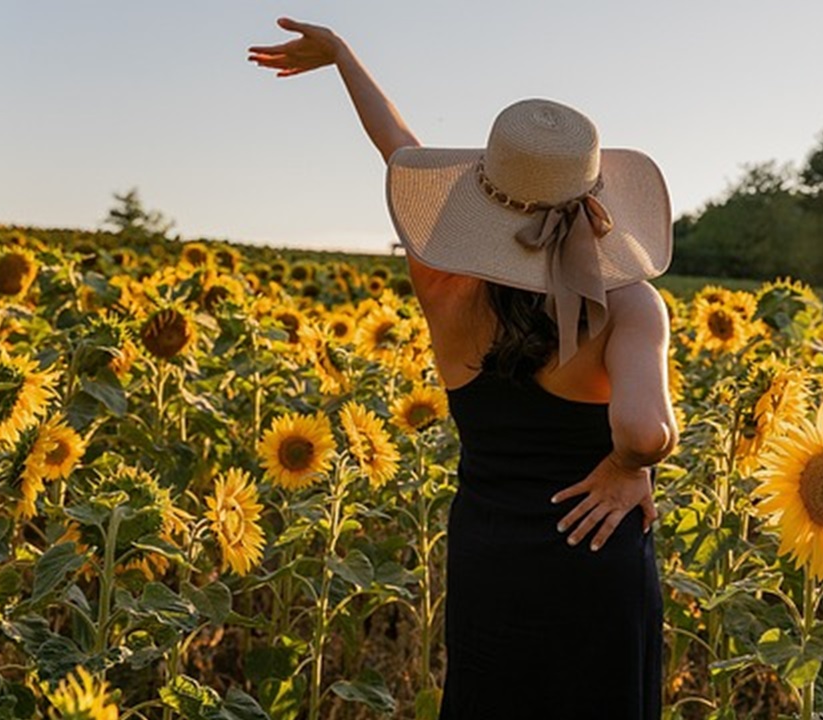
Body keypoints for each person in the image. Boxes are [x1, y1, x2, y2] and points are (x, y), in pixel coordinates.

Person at [249, 17, 678, 719]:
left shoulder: (443, 280)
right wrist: (631, 467)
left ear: (484, 193)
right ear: (597, 196)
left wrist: (345, 59)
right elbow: (642, 427)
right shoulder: (630, 304)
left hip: (491, 554)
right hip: (594, 552)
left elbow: (401, 153)